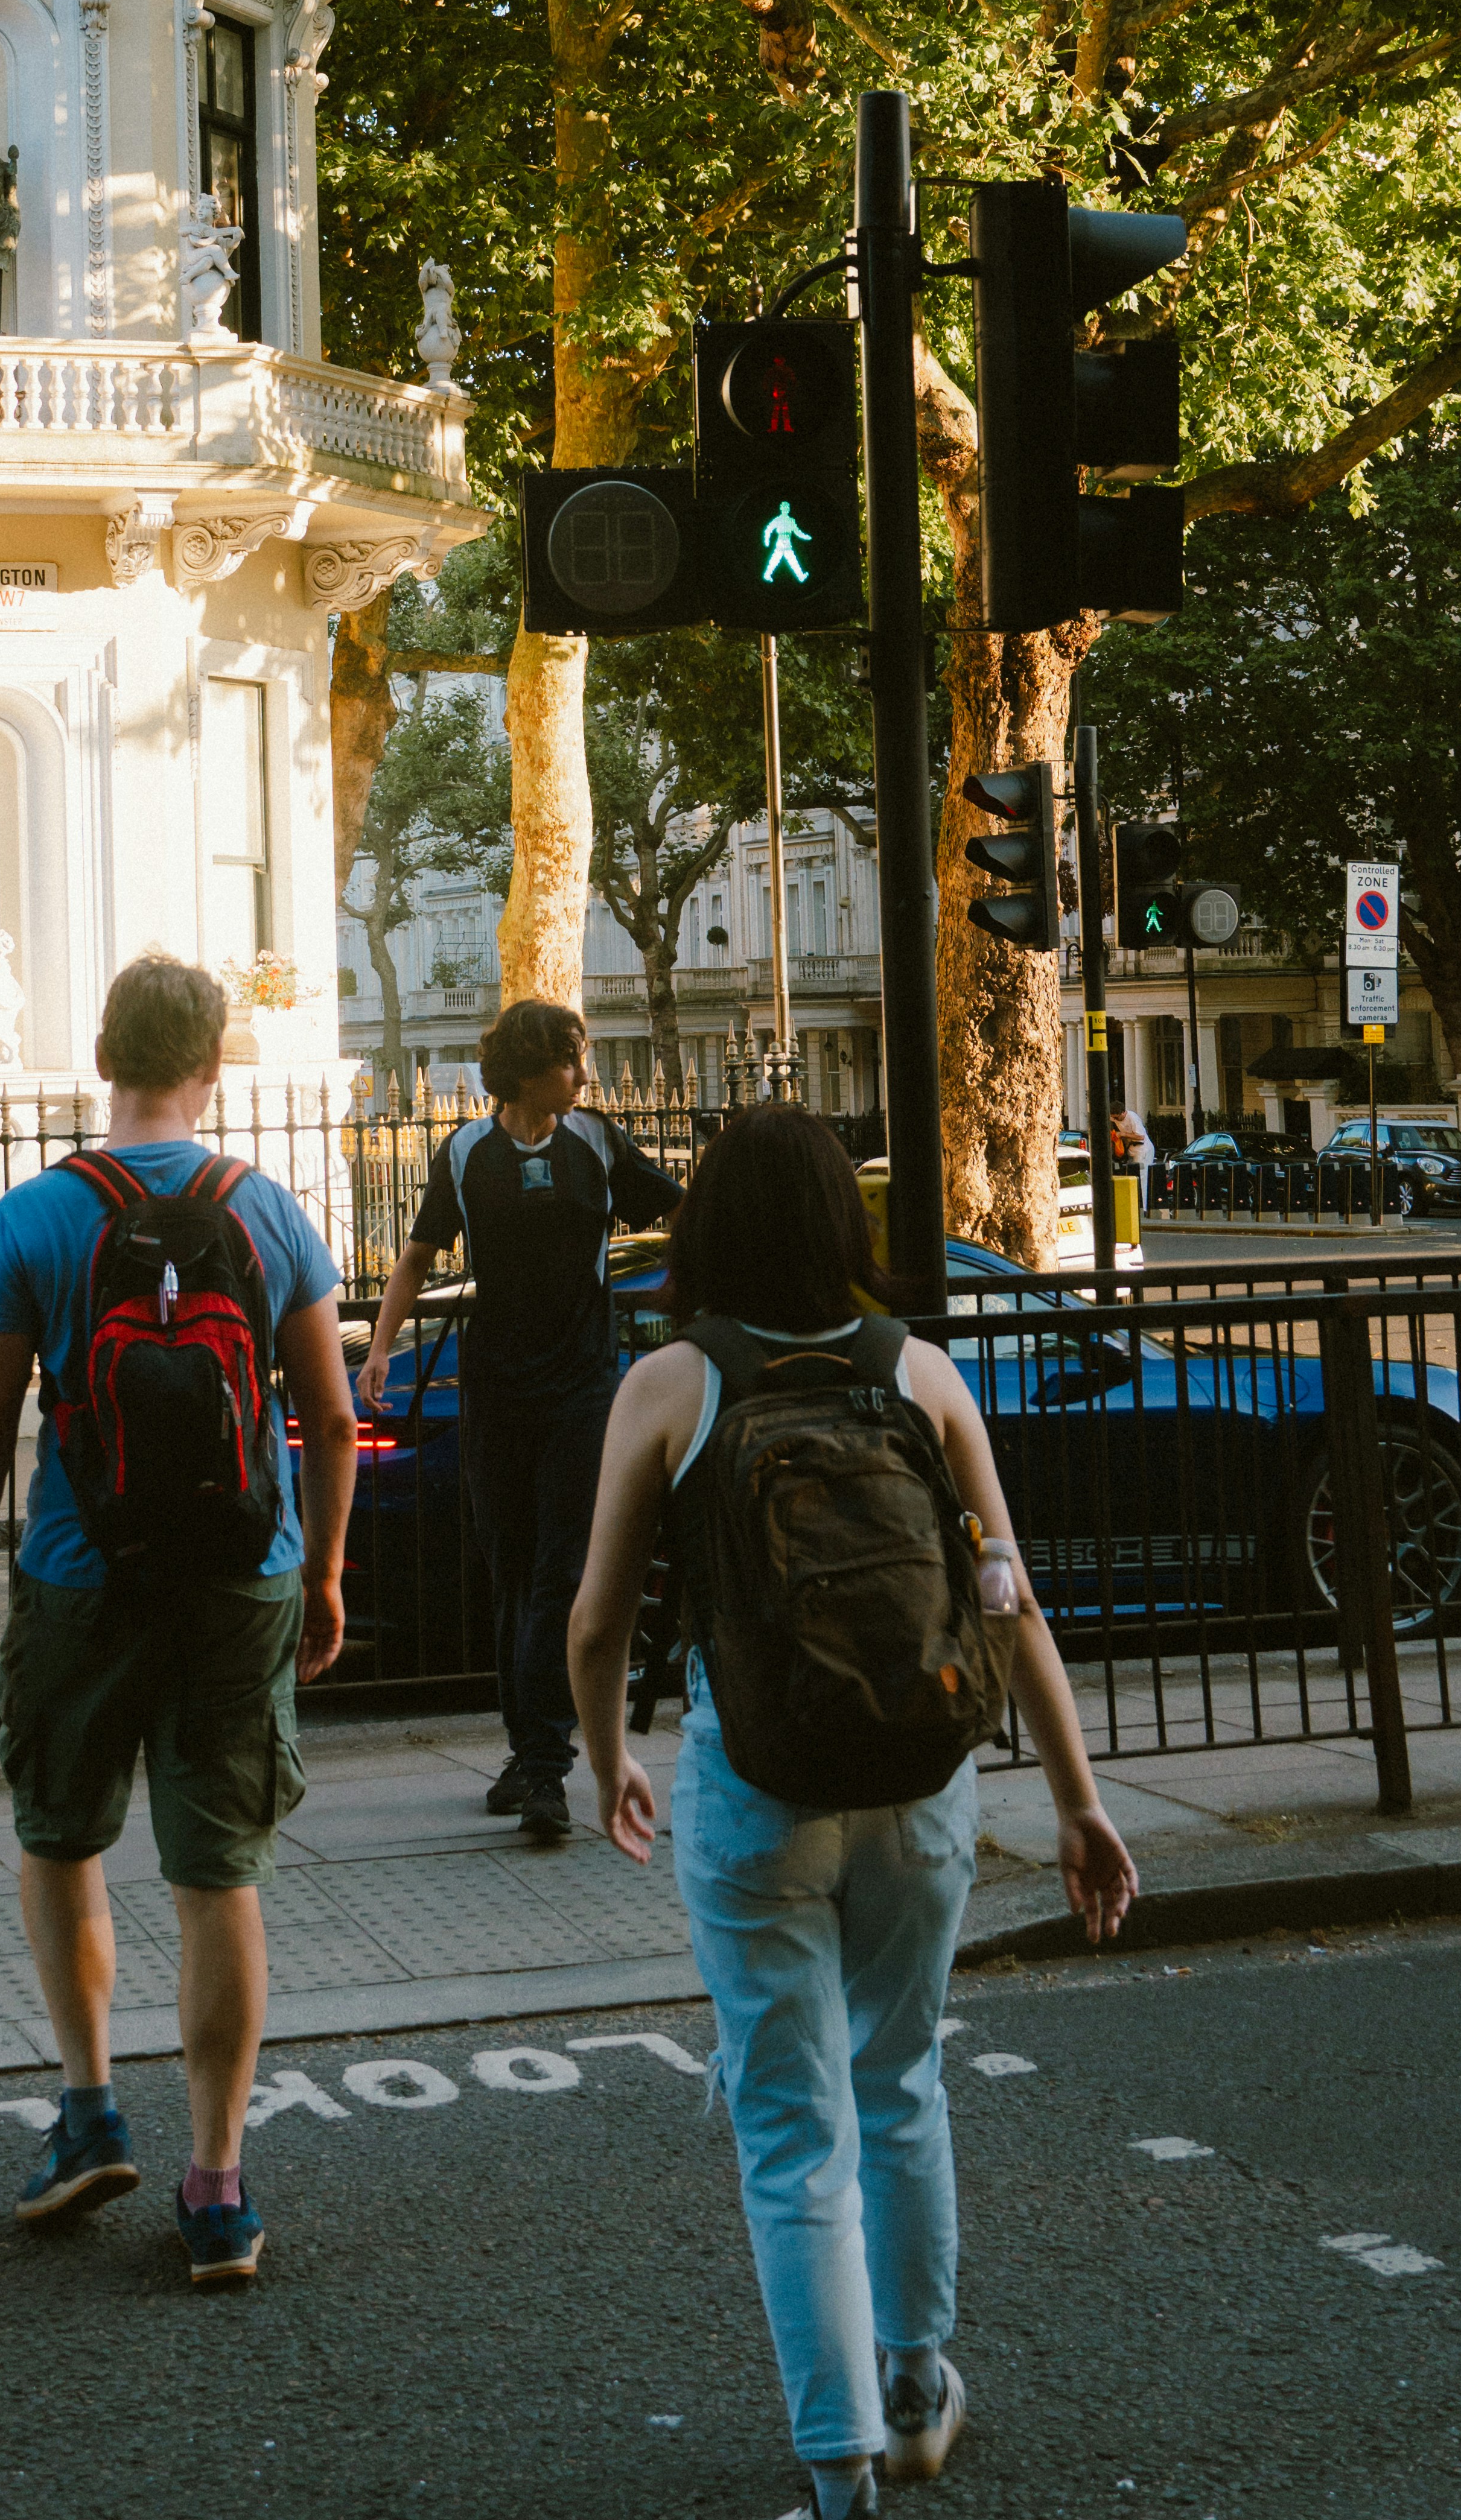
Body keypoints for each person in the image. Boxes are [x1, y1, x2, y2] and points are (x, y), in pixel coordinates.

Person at [568, 1103, 1138, 2515]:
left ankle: (837, 2475)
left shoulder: (671, 1385)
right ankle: (912, 2385)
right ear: (842, 1223)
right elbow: (1008, 1598)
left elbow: (592, 1623)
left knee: (787, 2127)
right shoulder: (923, 1376)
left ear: (706, 1228)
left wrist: (604, 1761)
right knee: (899, 2083)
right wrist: (1074, 1803)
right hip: (922, 1783)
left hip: (756, 1786)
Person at [0, 953, 357, 2286]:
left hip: (78, 1574)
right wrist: (323, 1570)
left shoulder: (37, 1217)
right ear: (212, 1066)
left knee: (61, 1834)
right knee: (218, 1872)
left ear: (101, 1058)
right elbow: (329, 1420)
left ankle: (90, 2109)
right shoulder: (267, 1209)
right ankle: (217, 2187)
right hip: (241, 1578)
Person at [358, 997, 681, 1841]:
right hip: (495, 1395)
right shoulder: (465, 1154)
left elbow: (683, 1212)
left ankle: (545, 1766)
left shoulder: (600, 1144)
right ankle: (524, 1749)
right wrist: (380, 1348)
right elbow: (416, 1259)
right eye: (574, 1060)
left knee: (559, 1575)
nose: (586, 1074)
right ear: (532, 1069)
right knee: (510, 1577)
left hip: (582, 1391)